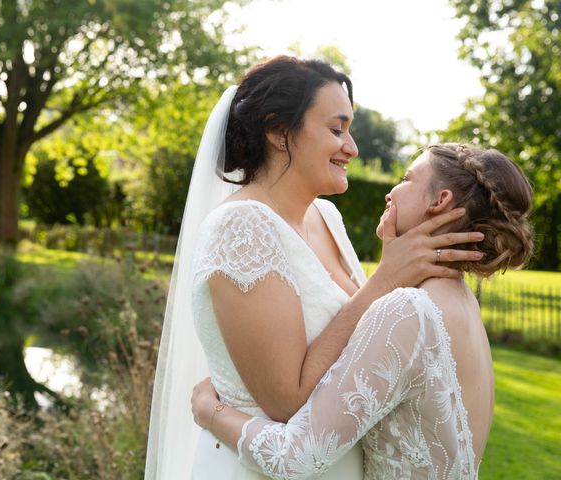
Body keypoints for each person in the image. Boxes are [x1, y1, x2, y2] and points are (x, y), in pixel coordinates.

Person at [145, 56, 484, 479]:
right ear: (277, 131)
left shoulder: (327, 217)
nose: (352, 147)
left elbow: (360, 344)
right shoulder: (242, 228)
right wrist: (387, 278)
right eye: (335, 129)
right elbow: (286, 402)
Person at [191, 143, 534, 479]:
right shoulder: (460, 302)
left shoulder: (408, 310)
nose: (391, 193)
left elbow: (298, 456)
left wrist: (211, 412)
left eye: (405, 178)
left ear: (439, 201)